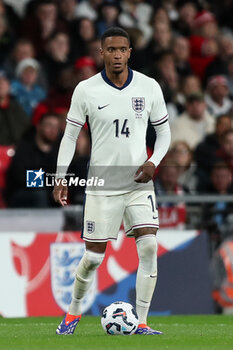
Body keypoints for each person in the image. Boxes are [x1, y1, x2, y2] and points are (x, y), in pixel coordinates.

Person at [53, 27, 170, 335]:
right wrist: (61, 176)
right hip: (102, 186)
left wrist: (152, 161)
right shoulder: (86, 89)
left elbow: (164, 133)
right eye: (111, 49)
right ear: (101, 53)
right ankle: (72, 314)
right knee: (92, 258)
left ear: (129, 52)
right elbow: (70, 135)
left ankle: (142, 322)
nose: (117, 54)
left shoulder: (149, 87)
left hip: (138, 182)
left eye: (122, 49)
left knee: (148, 248)